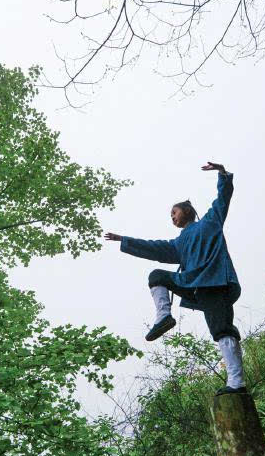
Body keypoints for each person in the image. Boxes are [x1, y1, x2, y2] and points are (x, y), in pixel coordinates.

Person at [104, 161, 245, 395]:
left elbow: (223, 198)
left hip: (215, 283)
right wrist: (124, 240)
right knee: (157, 275)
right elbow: (155, 248)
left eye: (174, 212)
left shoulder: (210, 222)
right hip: (192, 284)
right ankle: (164, 317)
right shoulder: (179, 242)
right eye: (170, 215)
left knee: (221, 329)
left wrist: (222, 173)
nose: (172, 217)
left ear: (187, 211)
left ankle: (237, 383)